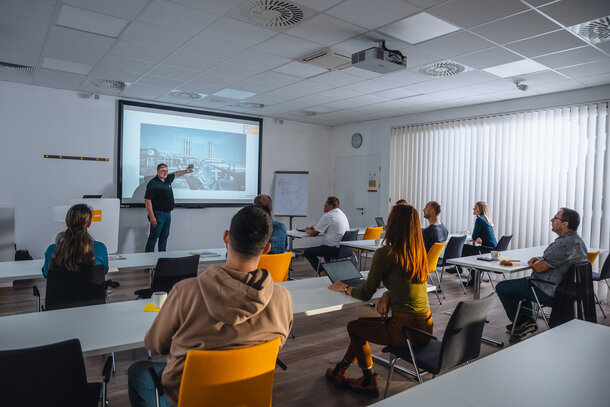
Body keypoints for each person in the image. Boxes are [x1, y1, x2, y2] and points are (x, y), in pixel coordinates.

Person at [128, 205, 293, 407]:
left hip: (190, 396)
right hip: (246, 394)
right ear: (266, 248)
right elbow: (278, 344)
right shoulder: (282, 298)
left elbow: (155, 345)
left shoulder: (185, 291)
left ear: (226, 237)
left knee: (139, 371)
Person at [325, 205, 433, 397]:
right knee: (360, 326)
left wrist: (346, 288)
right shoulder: (419, 252)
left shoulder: (386, 254)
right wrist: (388, 294)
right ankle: (340, 370)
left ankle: (369, 380)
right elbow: (406, 284)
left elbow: (366, 293)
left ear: (393, 225)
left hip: (404, 332)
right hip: (425, 327)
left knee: (353, 327)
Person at [496, 208, 586, 338]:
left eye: (555, 218)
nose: (551, 220)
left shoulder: (562, 244)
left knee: (502, 287)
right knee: (521, 285)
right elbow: (556, 261)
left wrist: (534, 264)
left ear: (565, 223)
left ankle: (524, 321)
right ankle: (525, 321)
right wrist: (542, 261)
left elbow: (539, 269)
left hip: (547, 290)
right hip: (568, 292)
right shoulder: (578, 242)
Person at [42, 204, 108, 277]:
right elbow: (104, 271)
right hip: (90, 288)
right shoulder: (100, 248)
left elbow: (46, 274)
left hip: (63, 288)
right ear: (89, 223)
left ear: (66, 222)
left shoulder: (51, 250)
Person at [144, 163, 194, 252]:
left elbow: (177, 173)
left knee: (164, 237)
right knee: (153, 238)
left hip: (168, 214)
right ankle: (148, 263)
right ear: (157, 171)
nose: (165, 172)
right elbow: (147, 201)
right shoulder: (153, 183)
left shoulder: (168, 179)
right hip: (158, 214)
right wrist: (152, 217)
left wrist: (187, 171)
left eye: (166, 171)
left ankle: (162, 260)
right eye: (163, 170)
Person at [303, 196, 350, 273]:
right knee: (325, 250)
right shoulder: (342, 214)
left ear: (330, 206)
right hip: (344, 249)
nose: (324, 205)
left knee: (307, 252)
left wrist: (308, 230)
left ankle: (322, 272)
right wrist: (316, 228)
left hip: (333, 249)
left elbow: (314, 234)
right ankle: (331, 272)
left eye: (325, 204)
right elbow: (332, 227)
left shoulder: (328, 216)